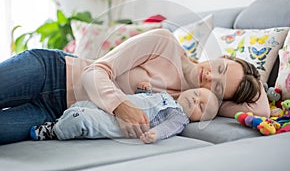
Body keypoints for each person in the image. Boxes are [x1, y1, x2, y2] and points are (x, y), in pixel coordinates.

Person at [0, 29, 270, 145]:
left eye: (219, 87)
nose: (210, 77)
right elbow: (96, 71)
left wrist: (256, 81)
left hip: (54, 114)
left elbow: (263, 112)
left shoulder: (184, 105)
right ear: (221, 57)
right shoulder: (164, 43)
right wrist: (120, 107)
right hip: (51, 71)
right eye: (219, 68)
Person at [30, 82, 219, 143]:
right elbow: (142, 101)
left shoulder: (179, 117)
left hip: (118, 125)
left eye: (200, 106)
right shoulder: (167, 95)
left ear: (198, 119)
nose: (195, 99)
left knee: (84, 118)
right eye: (196, 94)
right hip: (118, 107)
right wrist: (143, 91)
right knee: (84, 104)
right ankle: (56, 124)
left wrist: (155, 134)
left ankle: (54, 132)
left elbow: (169, 128)